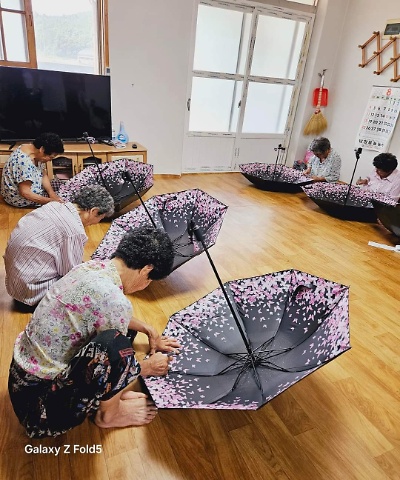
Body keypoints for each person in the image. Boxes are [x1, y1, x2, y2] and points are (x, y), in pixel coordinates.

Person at [8, 226, 181, 438]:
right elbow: (113, 353)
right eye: (149, 280)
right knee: (118, 346)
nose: (146, 285)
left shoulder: (90, 267)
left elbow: (102, 310)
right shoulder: (115, 301)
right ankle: (109, 415)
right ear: (146, 270)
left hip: (21, 382)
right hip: (41, 413)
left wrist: (149, 329)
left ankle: (106, 400)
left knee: (121, 336)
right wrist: (146, 367)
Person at [4, 184, 115, 308]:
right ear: (93, 211)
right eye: (101, 218)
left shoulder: (53, 206)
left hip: (15, 285)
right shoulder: (73, 230)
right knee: (91, 289)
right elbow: (71, 273)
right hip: (31, 293)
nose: (97, 223)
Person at [0, 132, 64, 207]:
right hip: (21, 198)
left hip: (33, 187)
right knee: (63, 200)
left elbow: (42, 174)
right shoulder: (24, 162)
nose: (50, 160)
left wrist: (52, 194)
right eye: (50, 157)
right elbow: (25, 192)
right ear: (42, 149)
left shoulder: (31, 150)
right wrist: (51, 201)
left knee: (63, 185)